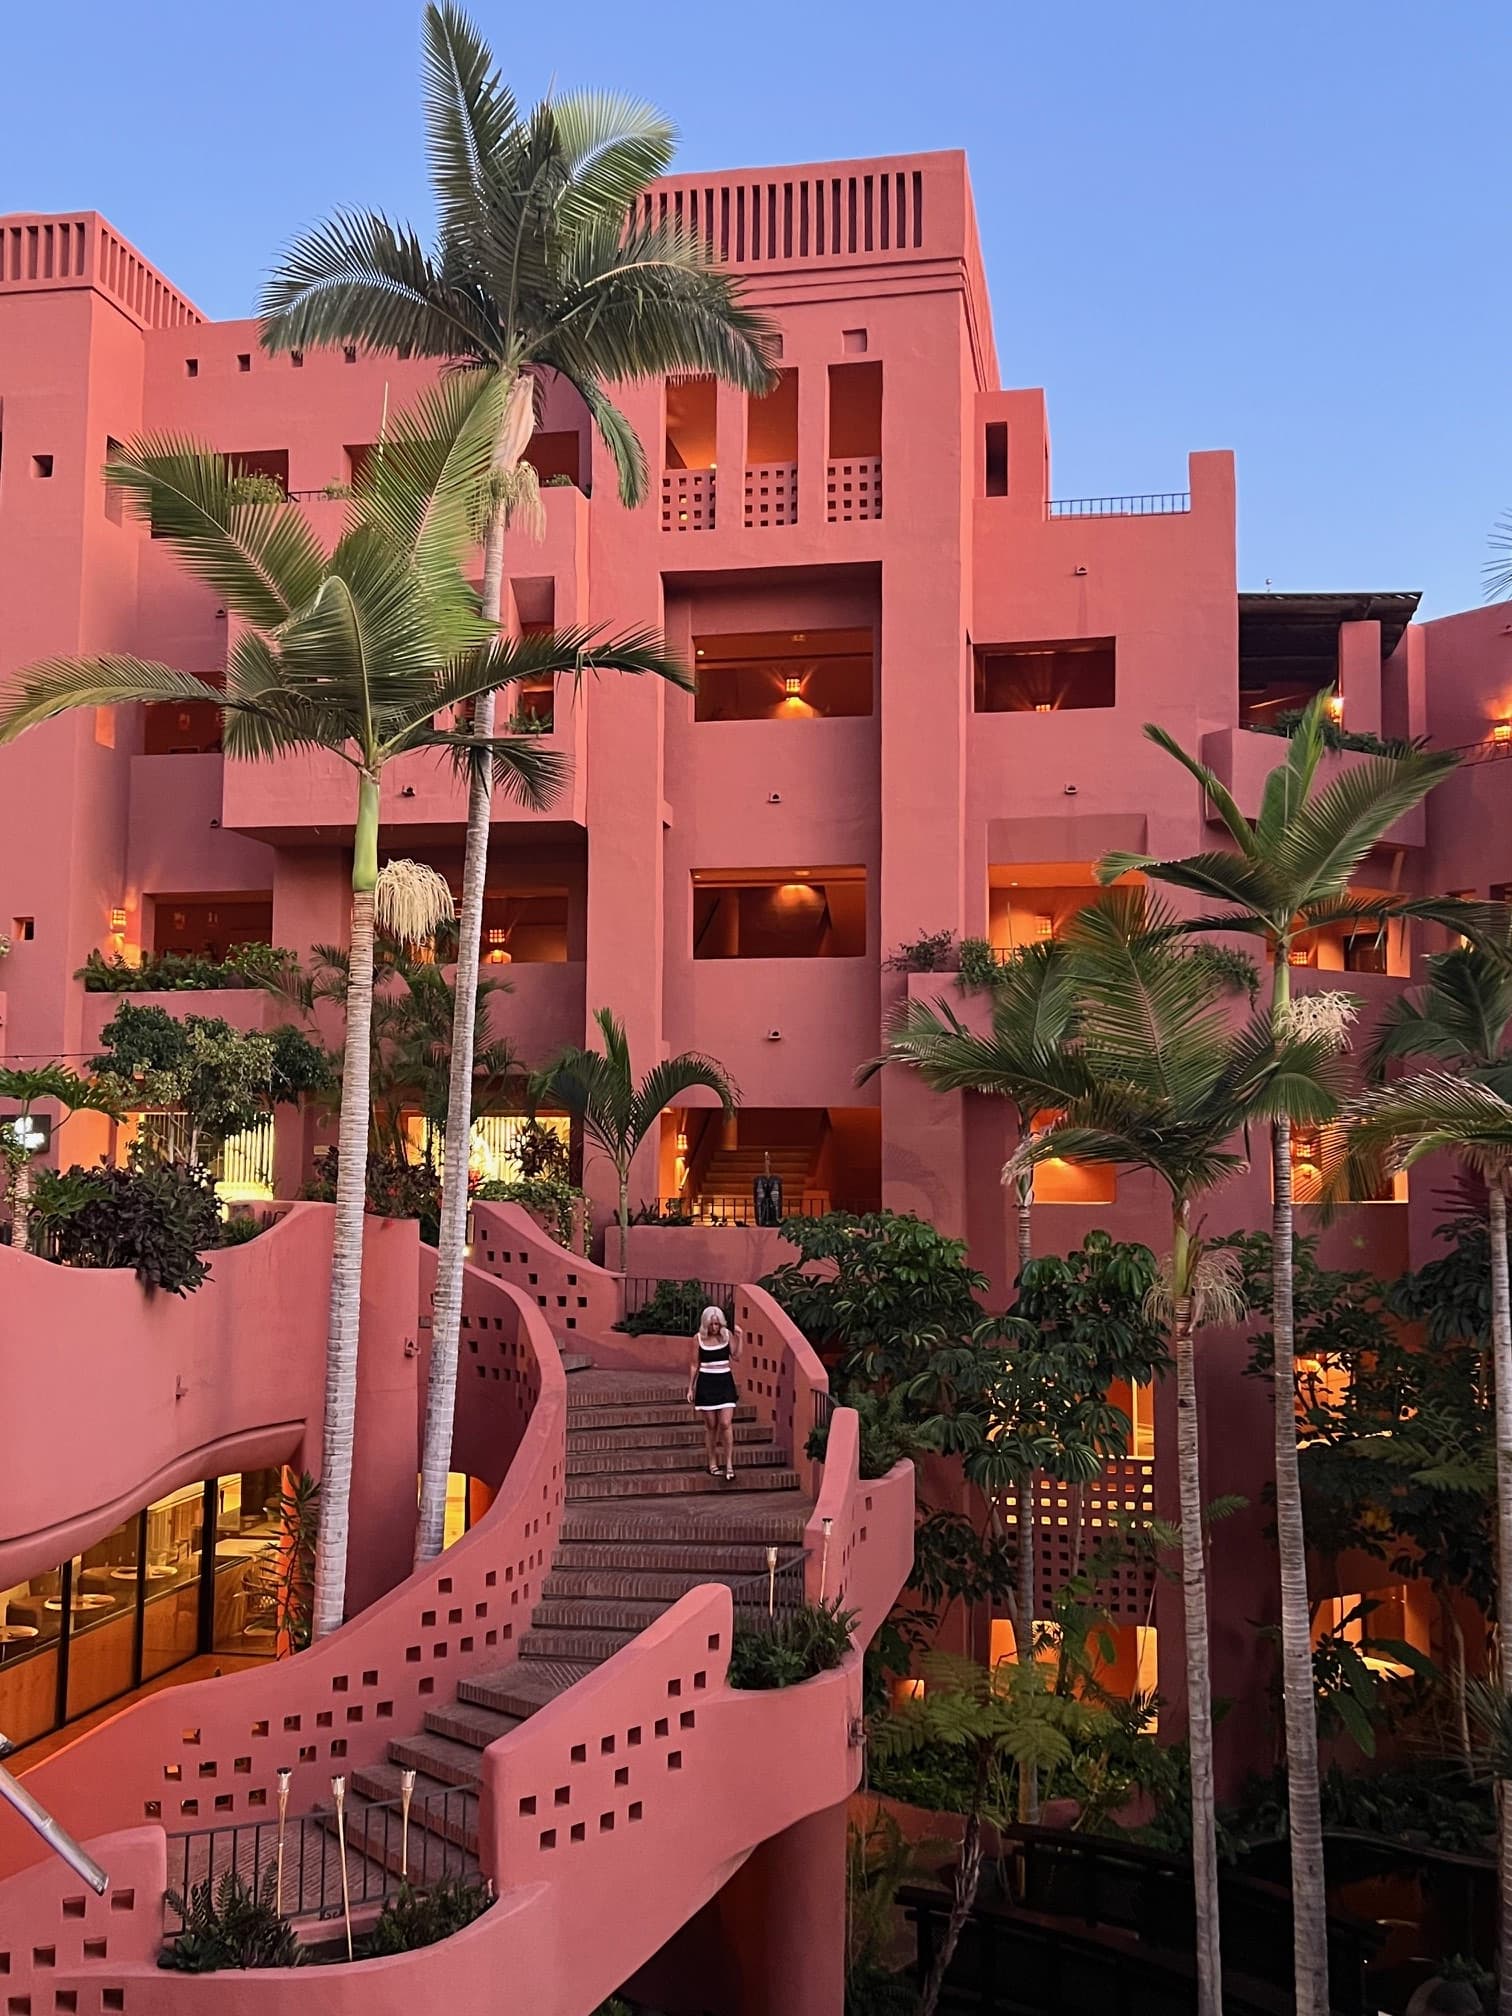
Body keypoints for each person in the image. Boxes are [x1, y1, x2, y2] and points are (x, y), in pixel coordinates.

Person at [687, 1305, 742, 1481]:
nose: (715, 1327)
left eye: (717, 1324)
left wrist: (740, 1338)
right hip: (706, 1383)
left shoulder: (727, 1335)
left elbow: (737, 1355)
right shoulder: (698, 1339)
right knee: (711, 1425)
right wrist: (691, 1387)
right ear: (705, 1324)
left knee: (725, 1423)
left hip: (725, 1382)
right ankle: (712, 1462)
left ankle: (729, 1464)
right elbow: (695, 1364)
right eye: (711, 1324)